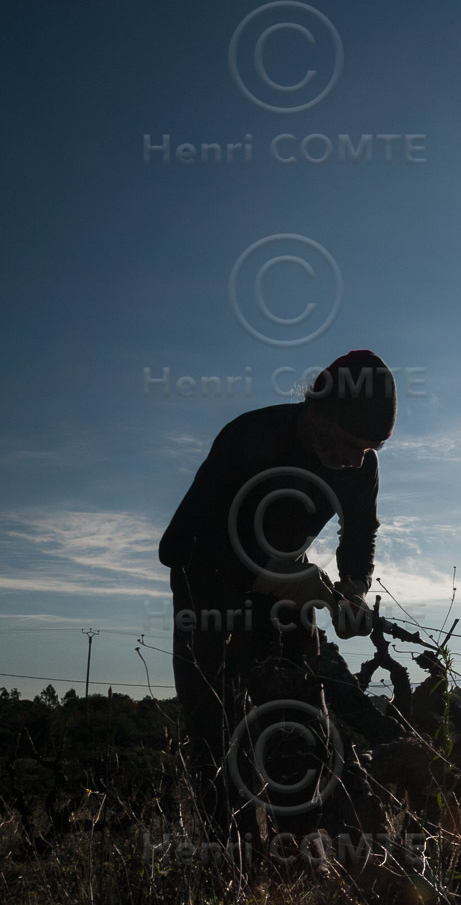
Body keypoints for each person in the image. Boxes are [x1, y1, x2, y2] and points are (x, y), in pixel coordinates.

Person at [158, 348, 403, 844]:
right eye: (346, 442)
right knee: (215, 726)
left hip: (282, 590)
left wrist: (353, 591)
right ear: (316, 408)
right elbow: (176, 547)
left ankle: (302, 850)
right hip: (205, 591)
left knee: (301, 712)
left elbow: (359, 535)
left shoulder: (361, 466)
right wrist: (267, 573)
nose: (353, 459)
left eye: (367, 448)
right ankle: (235, 862)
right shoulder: (249, 438)